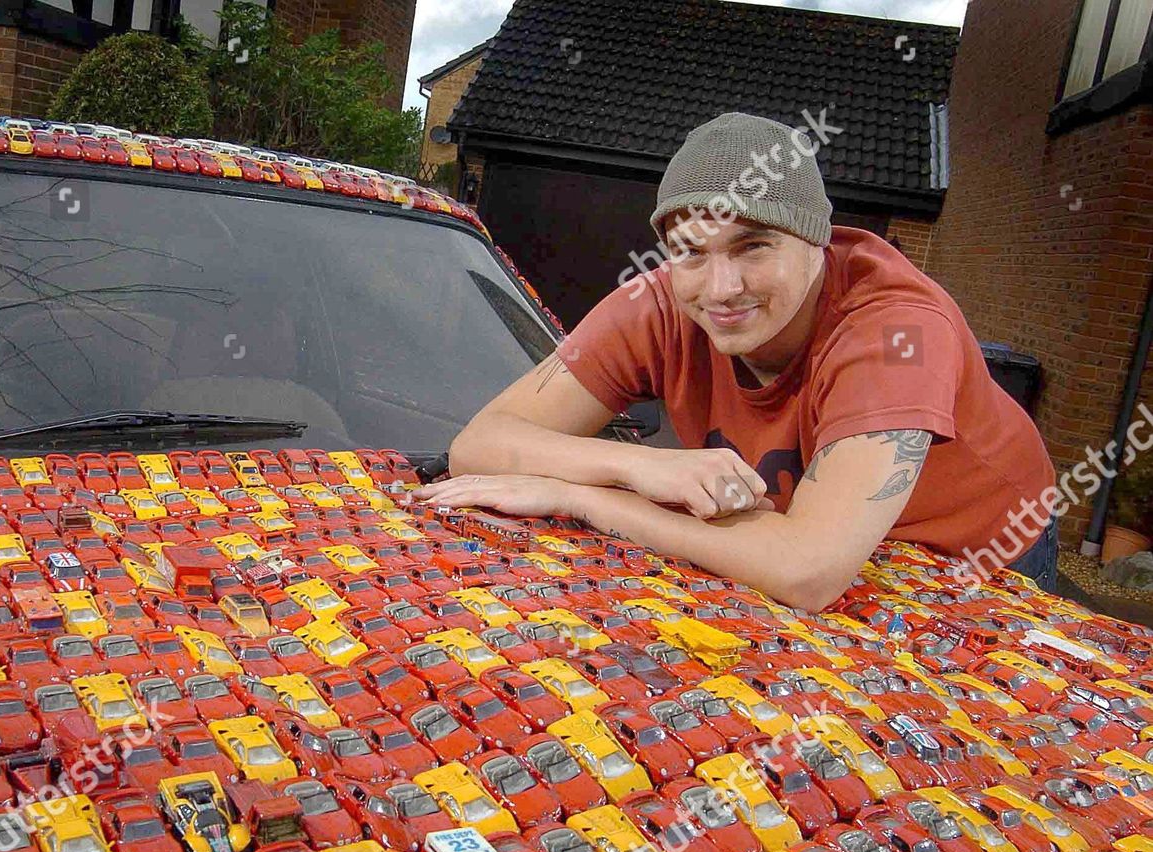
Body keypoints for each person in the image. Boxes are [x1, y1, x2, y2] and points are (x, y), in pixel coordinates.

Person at [407, 112, 1056, 611]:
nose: (720, 288)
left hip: (975, 548)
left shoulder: (893, 327)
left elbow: (807, 570)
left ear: (817, 242)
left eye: (753, 247)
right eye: (690, 251)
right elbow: (479, 444)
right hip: (786, 537)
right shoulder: (658, 303)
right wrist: (635, 464)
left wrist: (579, 497)